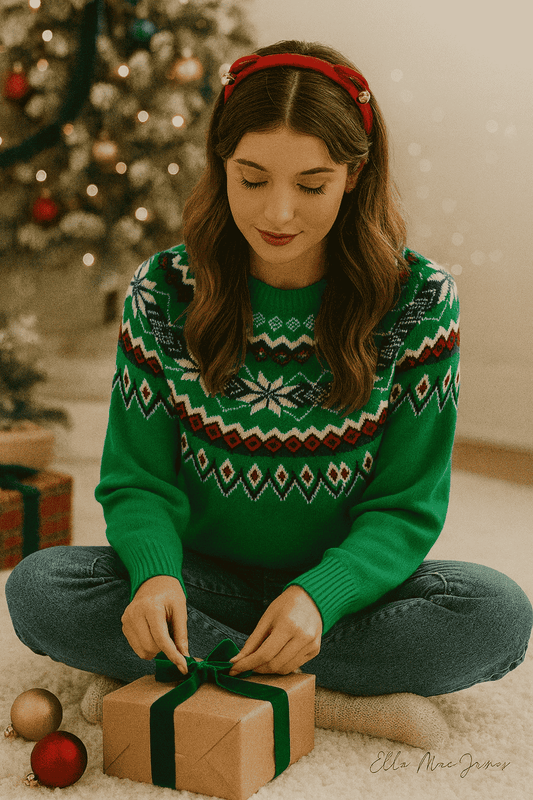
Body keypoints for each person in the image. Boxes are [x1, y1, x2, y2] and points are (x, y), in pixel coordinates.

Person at [5, 40, 532, 751]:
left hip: (339, 596)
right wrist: (156, 578)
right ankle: (331, 699)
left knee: (494, 615)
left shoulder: (419, 302)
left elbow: (404, 509)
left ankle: (196, 676)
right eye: (250, 178)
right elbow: (138, 482)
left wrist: (320, 595)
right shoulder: (162, 292)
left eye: (311, 185)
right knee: (40, 587)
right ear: (219, 163)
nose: (277, 212)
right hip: (203, 582)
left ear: (355, 174)